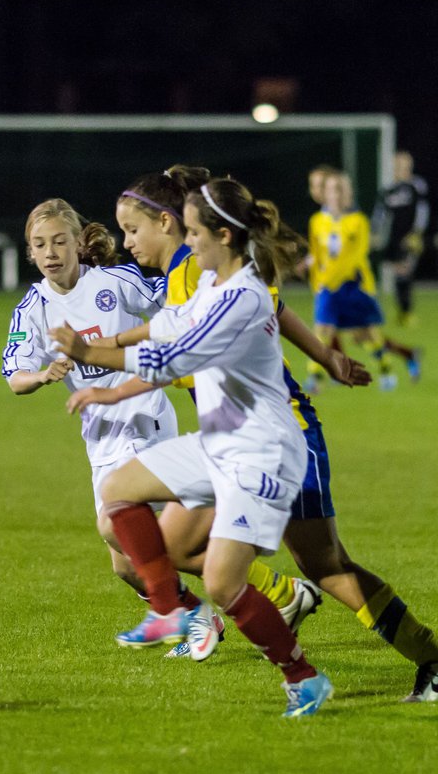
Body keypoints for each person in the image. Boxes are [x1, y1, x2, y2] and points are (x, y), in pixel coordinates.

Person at [81, 170, 438, 704]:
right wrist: (326, 355)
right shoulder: (185, 275)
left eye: (132, 230)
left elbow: (207, 337)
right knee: (167, 544)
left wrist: (107, 378)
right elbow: (255, 313)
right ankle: (257, 610)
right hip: (228, 439)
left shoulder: (197, 270)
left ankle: (432, 657)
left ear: (168, 223)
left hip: (277, 434)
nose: (126, 243)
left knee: (326, 564)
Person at [50, 178, 332, 717]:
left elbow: (171, 359)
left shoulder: (243, 297)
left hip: (261, 451)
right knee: (117, 491)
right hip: (219, 439)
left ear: (222, 236)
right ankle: (169, 610)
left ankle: (304, 677)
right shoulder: (209, 284)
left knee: (225, 583)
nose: (188, 241)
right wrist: (98, 348)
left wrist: (96, 362)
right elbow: (167, 323)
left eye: (195, 232)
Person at [305, 169, 420, 392]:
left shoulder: (358, 221)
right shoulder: (317, 221)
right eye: (331, 190)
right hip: (328, 288)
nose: (335, 195)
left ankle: (386, 369)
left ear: (347, 194)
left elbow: (355, 257)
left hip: (353, 286)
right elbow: (316, 254)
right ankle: (315, 379)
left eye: (339, 190)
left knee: (364, 334)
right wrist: (317, 282)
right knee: (322, 331)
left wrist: (329, 279)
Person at [372, 150, 431, 326]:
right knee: (397, 274)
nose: (401, 169)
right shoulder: (388, 190)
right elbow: (380, 213)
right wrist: (375, 232)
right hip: (392, 238)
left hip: (409, 238)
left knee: (404, 272)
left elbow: (422, 210)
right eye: (397, 166)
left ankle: (406, 312)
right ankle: (400, 312)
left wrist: (417, 232)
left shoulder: (417, 185)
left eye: (404, 166)